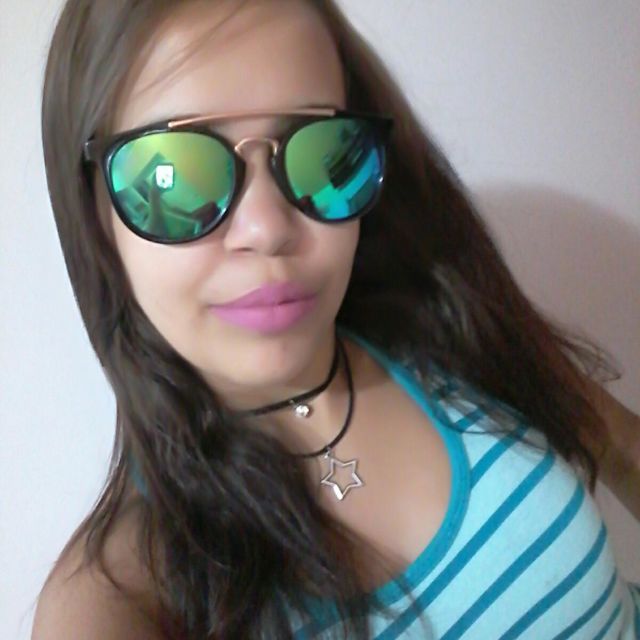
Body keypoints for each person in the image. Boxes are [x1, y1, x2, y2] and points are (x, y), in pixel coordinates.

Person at [32, 0, 640, 638]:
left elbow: (624, 447)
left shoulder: (449, 327)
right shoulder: (128, 589)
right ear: (94, 212)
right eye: (176, 176)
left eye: (322, 153)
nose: (267, 228)